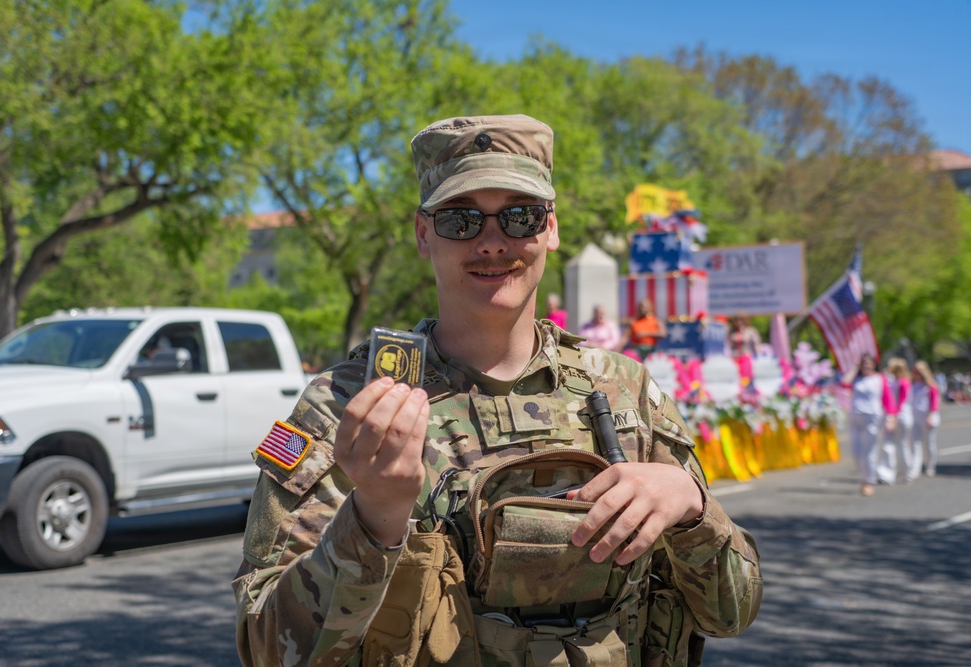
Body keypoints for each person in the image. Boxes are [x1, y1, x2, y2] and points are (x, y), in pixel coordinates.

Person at [232, 114, 762, 667]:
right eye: (461, 220)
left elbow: (732, 612)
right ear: (422, 233)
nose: (491, 243)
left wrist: (692, 509)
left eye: (519, 217)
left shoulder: (626, 391)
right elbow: (268, 650)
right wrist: (374, 519)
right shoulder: (348, 407)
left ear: (550, 229)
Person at [840, 353, 897, 496]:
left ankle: (868, 482)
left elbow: (888, 400)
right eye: (864, 363)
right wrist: (855, 367)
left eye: (869, 362)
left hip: (872, 418)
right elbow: (844, 383)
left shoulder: (880, 379)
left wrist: (891, 418)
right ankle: (865, 476)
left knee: (869, 452)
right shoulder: (856, 379)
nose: (866, 365)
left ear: (874, 364)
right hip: (855, 418)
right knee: (856, 452)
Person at [878, 358, 913, 485]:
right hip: (895, 415)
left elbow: (900, 402)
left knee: (900, 444)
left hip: (900, 416)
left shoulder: (902, 383)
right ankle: (889, 473)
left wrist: (893, 417)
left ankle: (906, 473)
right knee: (891, 445)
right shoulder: (894, 381)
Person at [910, 360, 941, 478]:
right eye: (915, 370)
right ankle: (915, 467)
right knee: (915, 443)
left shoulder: (931, 385)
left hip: (928, 416)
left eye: (919, 371)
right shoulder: (911, 384)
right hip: (914, 416)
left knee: (929, 443)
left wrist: (931, 416)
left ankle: (930, 466)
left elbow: (935, 403)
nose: (917, 373)